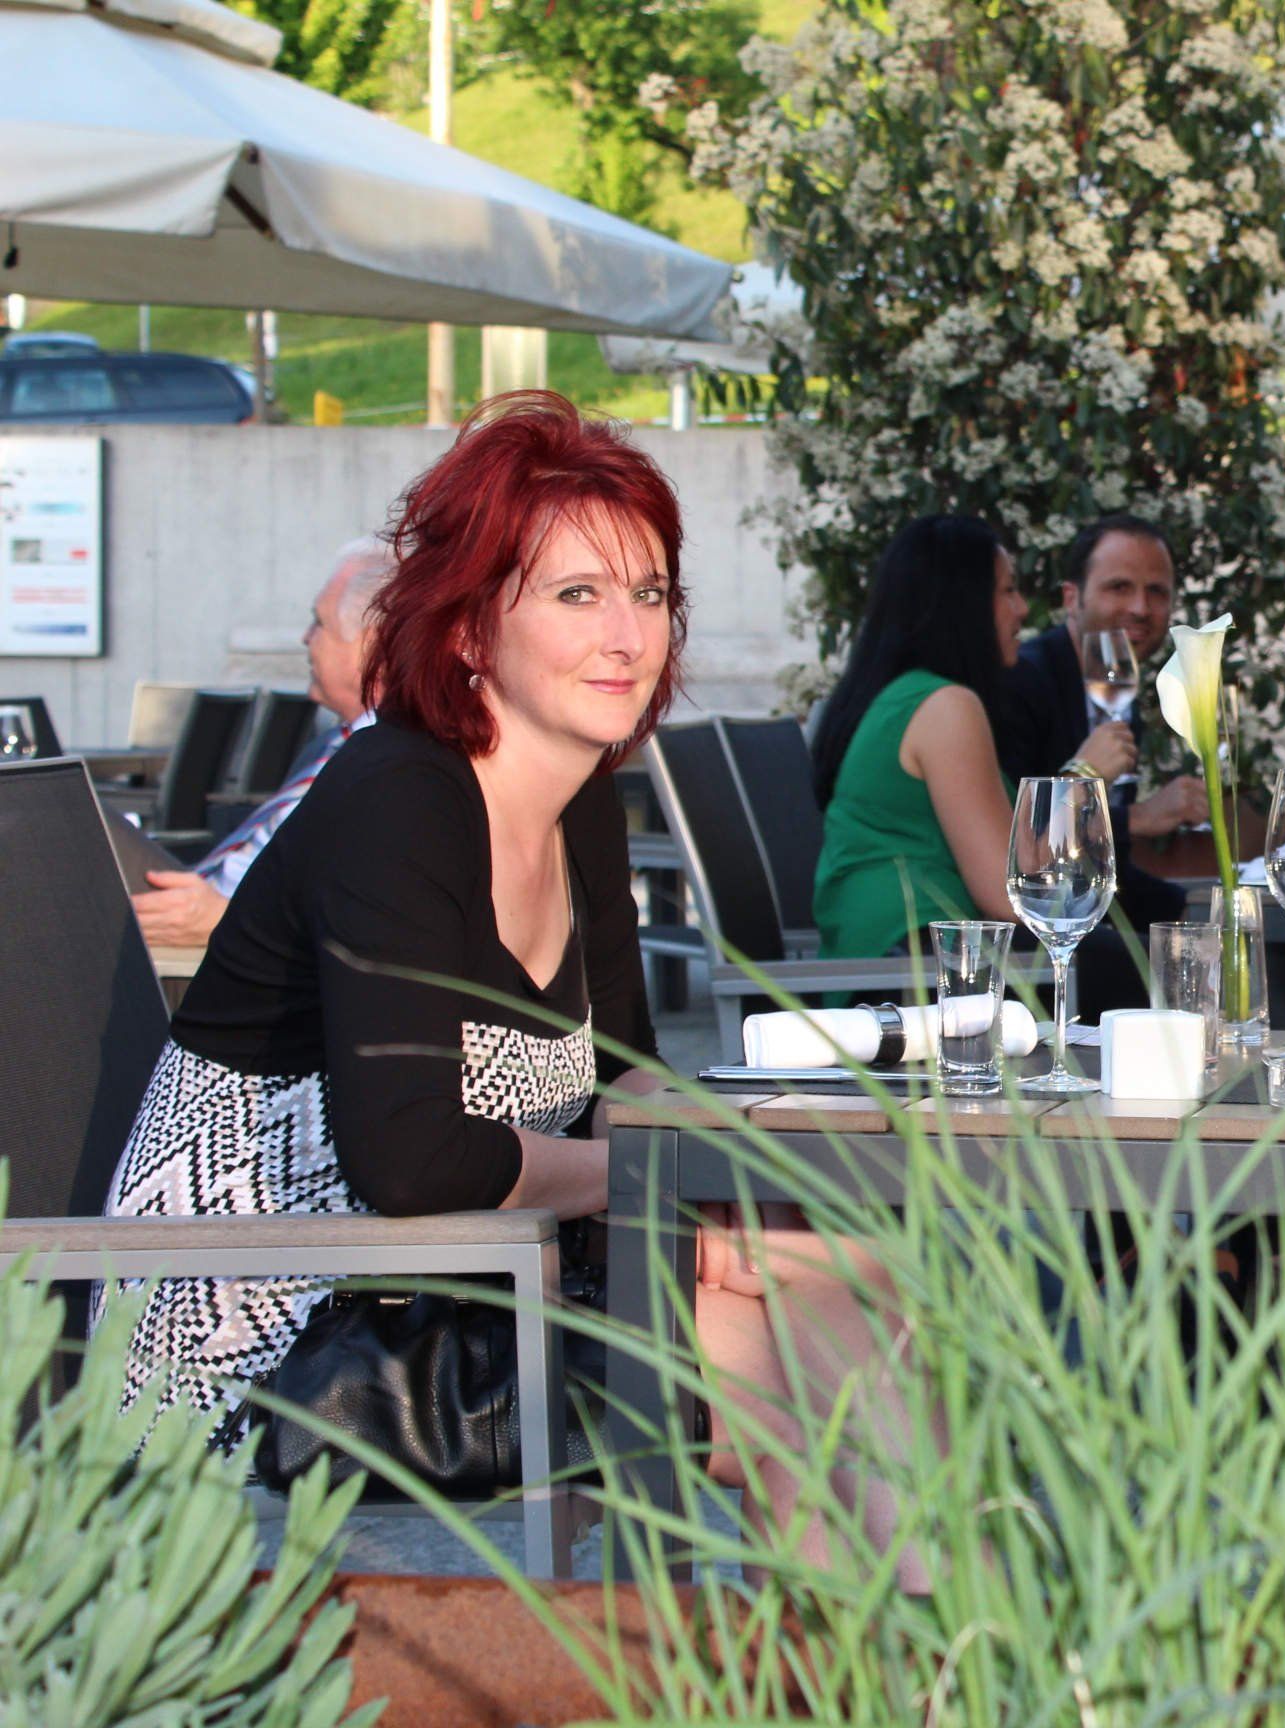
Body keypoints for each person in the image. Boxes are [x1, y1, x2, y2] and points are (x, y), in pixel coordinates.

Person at [105, 393, 935, 1583]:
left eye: (649, 593)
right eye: (577, 594)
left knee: (854, 1271)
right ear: (467, 627)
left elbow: (622, 1081)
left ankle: (882, 1653)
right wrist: (662, 1186)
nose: (629, 636)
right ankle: (918, 1651)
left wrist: (721, 1192)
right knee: (790, 1351)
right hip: (269, 1343)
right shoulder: (397, 799)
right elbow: (413, 1161)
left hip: (456, 1278)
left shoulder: (578, 797)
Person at [127, 537, 395, 947]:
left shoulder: (388, 760)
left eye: (319, 623)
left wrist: (223, 918)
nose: (305, 638)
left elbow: (361, 915)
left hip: (221, 946)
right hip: (197, 909)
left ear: (370, 645)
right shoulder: (337, 743)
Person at [987, 515, 1203, 1016]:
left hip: (1084, 911)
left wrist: (1196, 908)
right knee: (1176, 967)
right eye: (1119, 587)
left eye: (1156, 592)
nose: (1140, 608)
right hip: (1022, 937)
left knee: (1218, 937)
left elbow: (1107, 865)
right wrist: (1138, 817)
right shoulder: (1022, 681)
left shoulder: (1118, 686)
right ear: (1072, 598)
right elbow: (1017, 848)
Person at [809, 514, 1024, 964]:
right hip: (913, 973)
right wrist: (1083, 778)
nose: (1021, 609)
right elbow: (1009, 897)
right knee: (1147, 961)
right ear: (963, 603)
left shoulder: (896, 697)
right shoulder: (944, 706)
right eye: (1007, 590)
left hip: (907, 958)